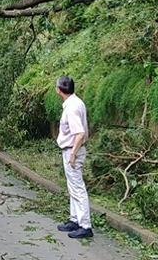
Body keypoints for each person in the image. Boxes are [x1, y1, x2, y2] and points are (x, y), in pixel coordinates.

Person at [55, 76, 93, 239]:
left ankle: (85, 225)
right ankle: (74, 219)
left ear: (59, 90)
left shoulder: (71, 108)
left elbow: (80, 133)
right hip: (73, 149)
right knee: (73, 186)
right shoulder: (76, 102)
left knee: (77, 187)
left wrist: (72, 155)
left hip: (73, 150)